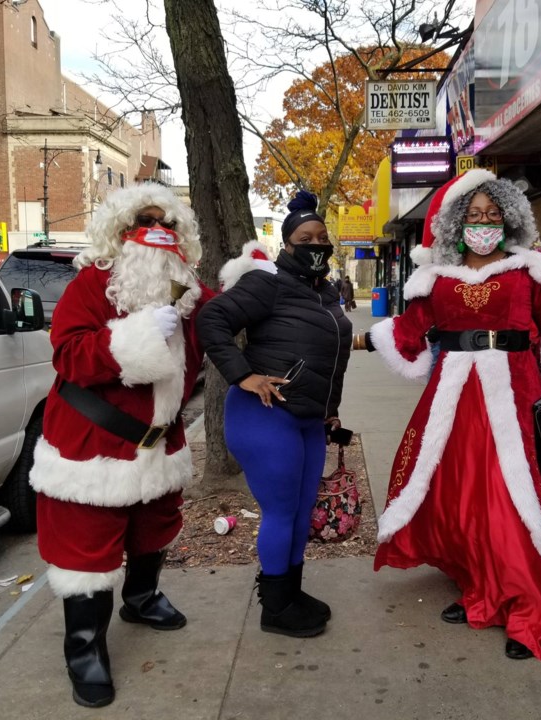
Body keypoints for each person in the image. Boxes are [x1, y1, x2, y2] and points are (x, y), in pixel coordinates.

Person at [355, 169, 541, 661]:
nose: (483, 221)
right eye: (474, 215)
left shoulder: (532, 272)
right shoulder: (431, 280)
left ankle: (527, 607)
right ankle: (480, 584)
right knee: (464, 499)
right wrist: (346, 337)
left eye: (492, 213)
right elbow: (408, 337)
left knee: (514, 500)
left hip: (516, 400)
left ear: (508, 219)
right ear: (457, 224)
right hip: (453, 406)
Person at [29, 183, 214, 707]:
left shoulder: (188, 290)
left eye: (168, 223)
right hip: (93, 448)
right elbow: (68, 354)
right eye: (143, 221)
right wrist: (133, 336)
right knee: (87, 550)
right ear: (120, 232)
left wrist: (266, 278)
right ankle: (84, 650)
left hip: (159, 443)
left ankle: (142, 597)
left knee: (153, 527)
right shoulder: (93, 283)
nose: (156, 232)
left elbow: (232, 316)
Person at [197, 190, 351, 638]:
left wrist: (330, 411)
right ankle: (275, 607)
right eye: (306, 237)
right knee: (282, 512)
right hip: (266, 416)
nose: (317, 244)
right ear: (287, 244)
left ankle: (291, 592)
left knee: (302, 511)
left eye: (323, 237)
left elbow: (329, 357)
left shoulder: (324, 293)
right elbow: (213, 320)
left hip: (308, 419)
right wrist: (244, 375)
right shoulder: (268, 282)